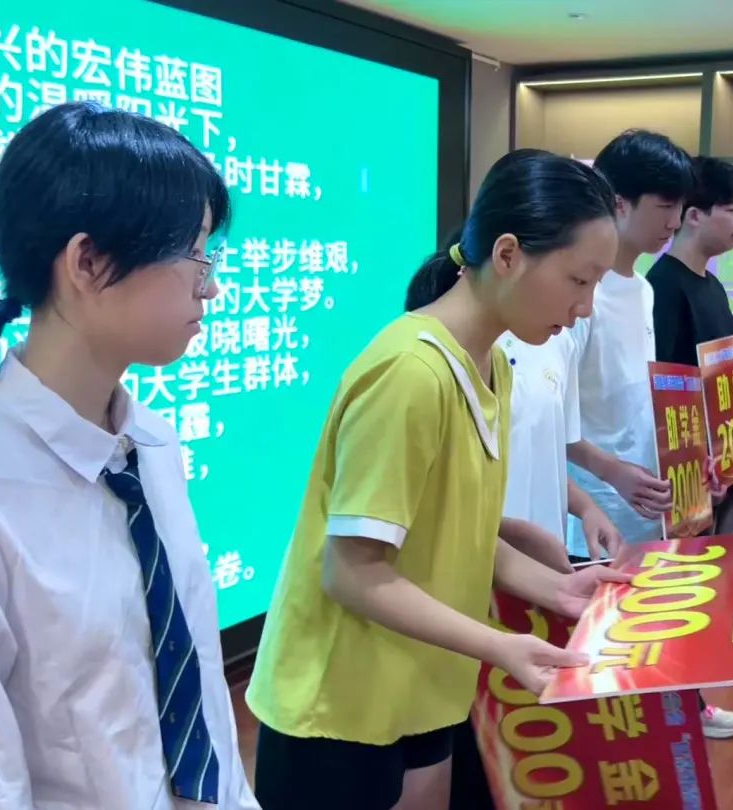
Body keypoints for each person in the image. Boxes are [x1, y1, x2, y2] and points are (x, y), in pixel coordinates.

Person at [247, 149, 629, 810]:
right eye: (578, 280)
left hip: (420, 684)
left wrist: (559, 586)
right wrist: (501, 644)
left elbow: (459, 533)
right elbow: (352, 572)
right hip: (339, 706)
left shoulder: (493, 368)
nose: (587, 307)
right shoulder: (411, 374)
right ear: (507, 254)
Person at [0, 102, 257, 808]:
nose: (214, 285)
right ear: (89, 261)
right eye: (196, 254)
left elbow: (197, 683)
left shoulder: (150, 445)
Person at [645, 155, 733, 739]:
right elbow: (662, 387)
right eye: (730, 208)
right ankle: (674, 706)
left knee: (695, 588)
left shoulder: (711, 285)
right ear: (692, 215)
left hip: (711, 461)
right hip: (678, 465)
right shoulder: (662, 287)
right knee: (675, 588)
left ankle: (689, 701)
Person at [565, 128, 689, 560]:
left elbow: (638, 401)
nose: (675, 222)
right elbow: (550, 419)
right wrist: (613, 472)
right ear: (619, 202)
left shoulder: (643, 289)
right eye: (665, 206)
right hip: (591, 522)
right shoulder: (579, 295)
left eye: (680, 207)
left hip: (648, 511)